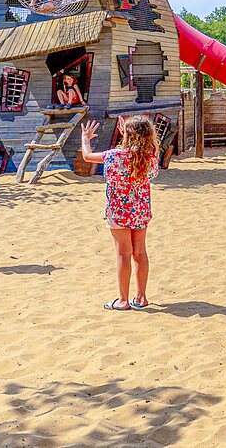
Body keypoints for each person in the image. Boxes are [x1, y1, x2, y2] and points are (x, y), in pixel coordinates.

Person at [79, 116, 159, 311]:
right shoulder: (151, 154)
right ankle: (141, 298)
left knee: (123, 252)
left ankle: (123, 300)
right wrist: (131, 130)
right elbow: (150, 146)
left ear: (125, 134)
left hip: (119, 210)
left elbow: (87, 156)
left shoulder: (114, 155)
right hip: (140, 209)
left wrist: (85, 138)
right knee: (140, 252)